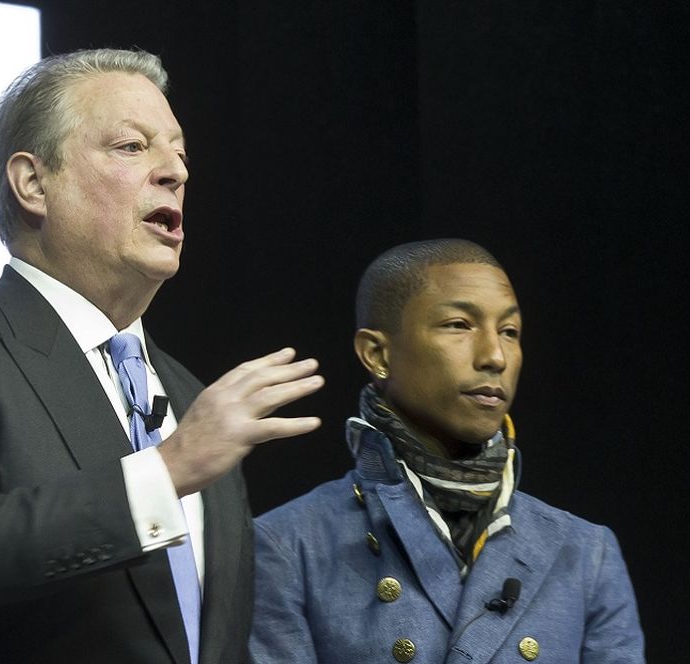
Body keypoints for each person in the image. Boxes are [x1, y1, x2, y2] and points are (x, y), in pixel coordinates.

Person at [0, 48, 324, 664]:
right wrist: (165, 472)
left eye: (180, 152)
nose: (175, 171)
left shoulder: (190, 398)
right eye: (132, 146)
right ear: (33, 182)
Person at [250, 239, 644, 663]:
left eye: (510, 332)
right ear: (377, 354)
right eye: (459, 324)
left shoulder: (584, 553)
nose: (495, 356)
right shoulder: (289, 546)